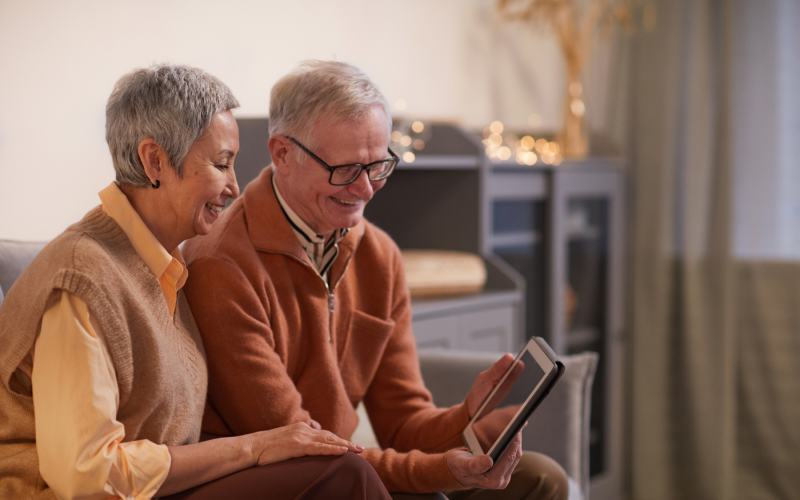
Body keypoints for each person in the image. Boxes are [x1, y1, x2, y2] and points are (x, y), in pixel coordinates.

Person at [0, 64, 392, 500]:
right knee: (341, 476)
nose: (233, 185)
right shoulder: (81, 280)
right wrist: (253, 447)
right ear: (155, 161)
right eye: (221, 164)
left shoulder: (163, 266)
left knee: (342, 472)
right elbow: (86, 475)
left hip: (161, 490)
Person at [182, 60, 569, 499]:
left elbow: (403, 424)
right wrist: (443, 471)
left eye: (379, 165)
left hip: (349, 466)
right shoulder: (222, 267)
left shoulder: (379, 255)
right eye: (346, 169)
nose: (366, 190)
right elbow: (306, 450)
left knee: (540, 478)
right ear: (282, 154)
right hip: (286, 480)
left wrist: (465, 416)